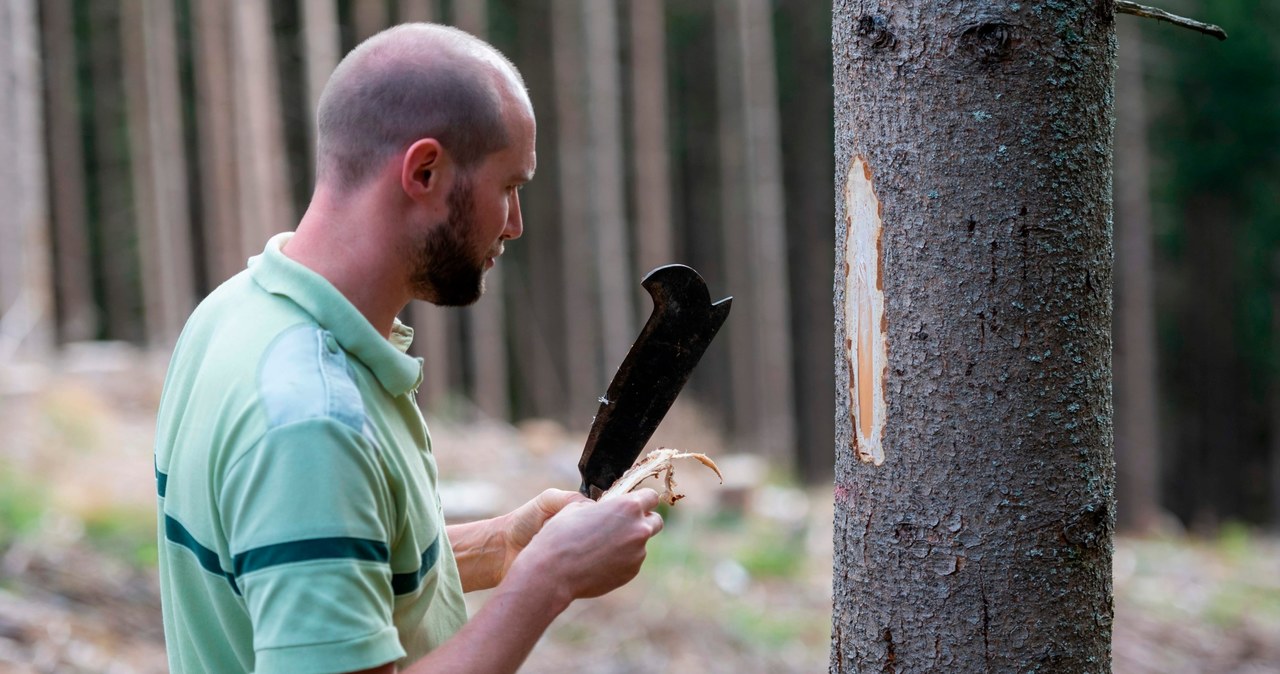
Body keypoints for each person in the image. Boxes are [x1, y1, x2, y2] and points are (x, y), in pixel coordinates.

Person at [153, 23, 663, 674]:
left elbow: (330, 564)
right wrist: (549, 581)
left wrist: (506, 545)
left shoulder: (233, 312)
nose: (515, 223)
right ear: (425, 171)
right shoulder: (312, 421)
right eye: (508, 187)